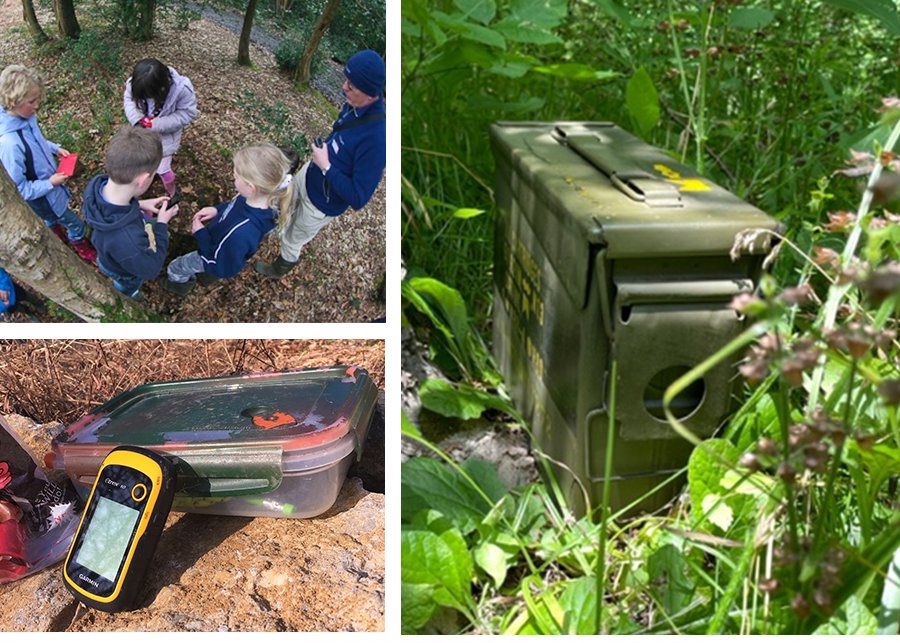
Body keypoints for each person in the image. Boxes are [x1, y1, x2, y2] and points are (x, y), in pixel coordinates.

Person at [255, 49, 386, 279]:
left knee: (292, 239)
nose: (344, 87)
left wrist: (326, 166)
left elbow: (358, 198)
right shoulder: (352, 106)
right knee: (281, 204)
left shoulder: (376, 138)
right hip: (308, 176)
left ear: (369, 94)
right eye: (346, 80)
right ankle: (266, 230)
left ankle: (278, 269)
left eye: (352, 86)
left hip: (320, 205)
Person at [160, 143, 293, 296]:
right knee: (212, 267)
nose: (233, 178)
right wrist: (216, 210)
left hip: (214, 257)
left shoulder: (242, 233)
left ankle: (177, 287)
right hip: (219, 248)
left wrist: (201, 234)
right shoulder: (255, 198)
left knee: (177, 267)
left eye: (236, 176)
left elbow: (223, 266)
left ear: (251, 186)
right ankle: (206, 276)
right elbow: (233, 206)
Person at [0, 64, 97, 263]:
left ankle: (56, 234)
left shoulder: (26, 116)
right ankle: (80, 247)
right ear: (14, 101)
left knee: (52, 220)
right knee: (76, 225)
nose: (36, 106)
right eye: (32, 101)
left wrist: (54, 148)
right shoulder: (10, 144)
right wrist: (50, 183)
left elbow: (36, 140)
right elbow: (20, 189)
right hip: (45, 197)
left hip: (51, 189)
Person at [81, 126, 179, 300]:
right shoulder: (128, 241)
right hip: (123, 271)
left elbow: (114, 207)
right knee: (126, 284)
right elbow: (151, 269)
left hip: (107, 256)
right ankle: (127, 294)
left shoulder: (96, 186)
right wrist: (162, 224)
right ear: (142, 180)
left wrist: (140, 204)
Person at [123, 58, 198, 197]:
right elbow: (129, 100)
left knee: (163, 168)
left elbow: (187, 113)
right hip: (141, 134)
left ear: (162, 88)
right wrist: (137, 119)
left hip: (165, 139)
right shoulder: (135, 83)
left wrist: (157, 124)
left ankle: (171, 192)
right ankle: (145, 186)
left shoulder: (182, 89)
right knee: (143, 163)